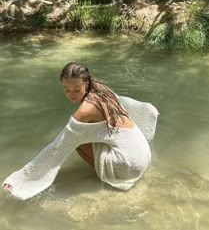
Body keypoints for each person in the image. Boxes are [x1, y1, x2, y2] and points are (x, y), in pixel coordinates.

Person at [2, 62, 159, 199]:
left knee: (76, 141)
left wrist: (22, 177)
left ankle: (103, 178)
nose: (71, 95)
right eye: (66, 89)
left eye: (76, 89)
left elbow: (59, 147)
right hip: (143, 154)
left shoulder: (85, 110)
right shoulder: (101, 88)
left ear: (86, 83)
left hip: (130, 166)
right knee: (85, 134)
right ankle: (107, 166)